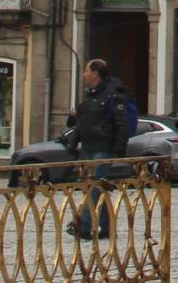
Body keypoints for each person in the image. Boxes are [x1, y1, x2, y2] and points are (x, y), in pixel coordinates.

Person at [68, 58, 135, 243]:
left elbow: (121, 124)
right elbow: (82, 124)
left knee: (96, 188)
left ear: (95, 75)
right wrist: (73, 141)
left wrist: (120, 148)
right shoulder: (91, 95)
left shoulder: (112, 96)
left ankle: (84, 226)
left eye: (86, 71)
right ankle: (107, 227)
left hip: (103, 149)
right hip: (89, 148)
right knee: (99, 188)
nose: (83, 75)